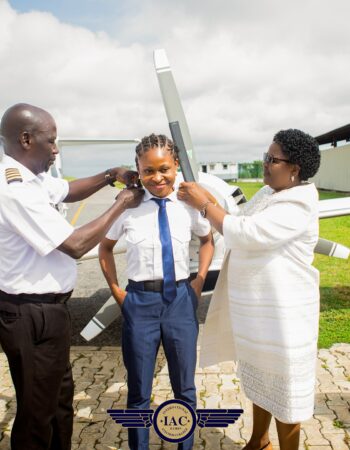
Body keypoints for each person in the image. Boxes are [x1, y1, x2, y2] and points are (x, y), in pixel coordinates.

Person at [0, 103, 144, 450]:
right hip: (30, 313)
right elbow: (76, 245)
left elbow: (67, 190)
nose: (56, 149)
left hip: (48, 312)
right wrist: (121, 203)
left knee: (59, 399)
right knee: (38, 412)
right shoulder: (14, 189)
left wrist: (110, 174)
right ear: (25, 139)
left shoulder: (32, 179)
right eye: (50, 141)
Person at [177, 129, 321, 450]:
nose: (265, 164)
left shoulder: (298, 203)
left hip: (285, 317)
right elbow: (238, 216)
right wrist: (211, 201)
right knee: (261, 382)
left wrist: (203, 205)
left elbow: (245, 233)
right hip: (262, 315)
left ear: (294, 168)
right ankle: (259, 441)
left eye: (272, 159)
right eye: (265, 157)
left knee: (284, 394)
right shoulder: (270, 194)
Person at [99, 133, 214, 450]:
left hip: (179, 301)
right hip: (140, 302)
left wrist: (199, 279)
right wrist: (117, 292)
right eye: (148, 171)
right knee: (138, 391)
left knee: (185, 390)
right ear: (138, 169)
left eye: (164, 168)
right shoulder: (128, 207)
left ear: (175, 165)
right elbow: (105, 248)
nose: (157, 177)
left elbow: (207, 241)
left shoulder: (188, 204)